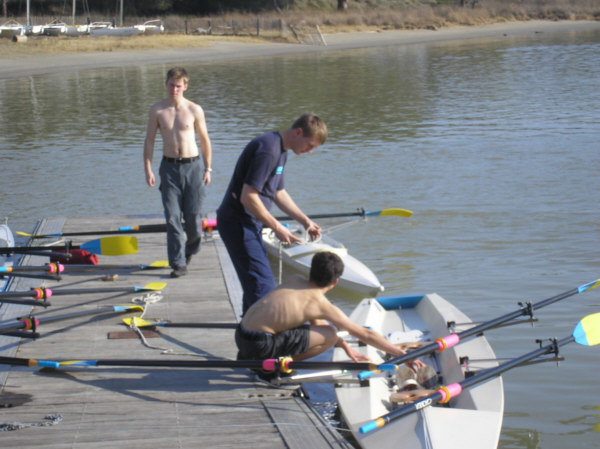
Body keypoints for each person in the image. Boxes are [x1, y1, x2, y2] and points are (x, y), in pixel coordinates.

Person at [236, 251, 424, 384]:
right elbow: (365, 335)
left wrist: (343, 345)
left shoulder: (294, 280)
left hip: (242, 335)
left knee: (331, 335)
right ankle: (274, 368)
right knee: (332, 334)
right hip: (260, 345)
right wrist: (401, 354)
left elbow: (315, 321)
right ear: (335, 282)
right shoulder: (319, 302)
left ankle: (257, 359)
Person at [217, 113, 327, 314]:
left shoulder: (281, 150)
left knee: (255, 284)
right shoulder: (268, 150)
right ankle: (262, 338)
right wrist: (276, 227)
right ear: (299, 132)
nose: (310, 151)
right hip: (237, 222)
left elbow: (277, 192)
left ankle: (250, 338)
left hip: (250, 223)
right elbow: (248, 197)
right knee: (263, 285)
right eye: (310, 145)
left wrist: (304, 221)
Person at [144, 67, 213, 278]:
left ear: (185, 86)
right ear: (166, 85)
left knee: (192, 218)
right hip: (169, 167)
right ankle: (178, 263)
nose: (175, 89)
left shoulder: (194, 110)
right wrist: (148, 168)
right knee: (172, 218)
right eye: (171, 85)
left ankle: (191, 248)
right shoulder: (157, 110)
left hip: (193, 166)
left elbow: (204, 140)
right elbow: (149, 141)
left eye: (178, 85)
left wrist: (208, 168)